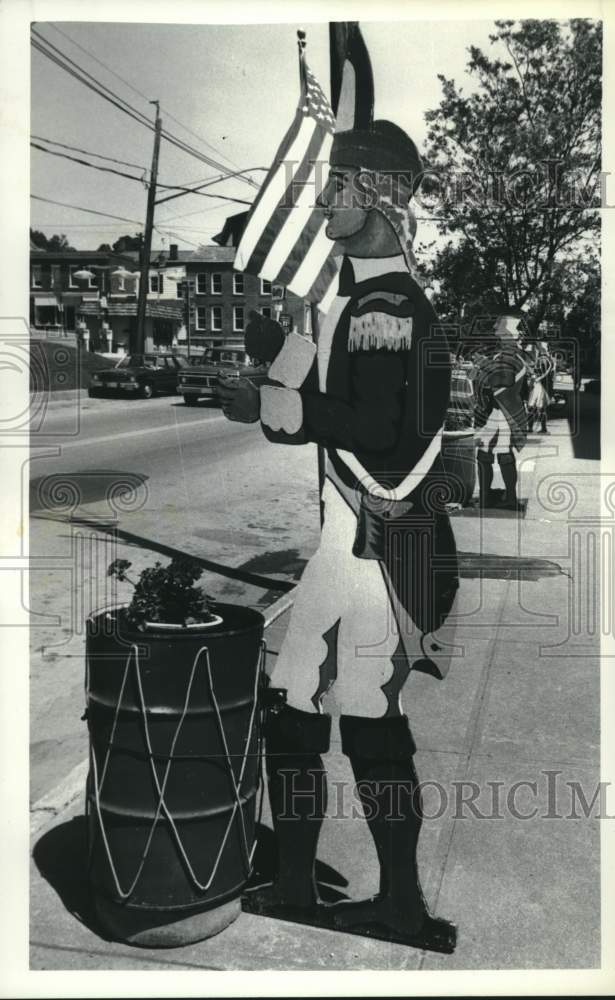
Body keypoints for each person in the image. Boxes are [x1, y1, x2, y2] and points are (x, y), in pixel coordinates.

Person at [218, 119, 459, 953]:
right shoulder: (360, 303)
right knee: (291, 711)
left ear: (377, 194)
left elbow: (378, 429)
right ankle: (292, 881)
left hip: (377, 548)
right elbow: (335, 380)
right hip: (345, 544)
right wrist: (271, 351)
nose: (321, 202)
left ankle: (399, 906)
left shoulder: (386, 307)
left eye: (334, 187)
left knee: (366, 723)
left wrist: (274, 408)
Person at [473, 311, 529, 511]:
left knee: (500, 454)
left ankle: (506, 498)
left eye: (499, 332)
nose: (496, 334)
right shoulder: (512, 355)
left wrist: (482, 366)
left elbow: (499, 383)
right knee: (488, 453)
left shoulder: (509, 356)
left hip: (504, 413)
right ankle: (494, 497)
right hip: (502, 412)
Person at [527, 341, 554, 434]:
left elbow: (543, 373)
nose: (537, 349)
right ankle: (539, 428)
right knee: (539, 408)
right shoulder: (547, 359)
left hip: (539, 386)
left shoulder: (543, 359)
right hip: (542, 386)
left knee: (533, 407)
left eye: (538, 347)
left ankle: (536, 428)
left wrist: (536, 378)